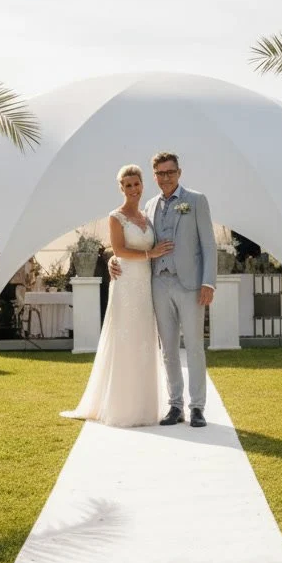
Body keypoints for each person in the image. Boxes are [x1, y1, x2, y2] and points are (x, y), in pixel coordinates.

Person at [109, 152, 217, 427]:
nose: (165, 178)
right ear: (154, 176)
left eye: (170, 172)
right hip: (158, 283)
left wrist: (208, 282)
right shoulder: (150, 206)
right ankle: (175, 405)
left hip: (191, 284)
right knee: (168, 348)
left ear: (179, 173)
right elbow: (135, 242)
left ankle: (197, 408)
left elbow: (208, 245)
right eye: (160, 173)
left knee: (194, 346)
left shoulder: (196, 200)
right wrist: (114, 258)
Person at [61, 164, 173, 427]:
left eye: (137, 184)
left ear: (143, 185)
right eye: (128, 185)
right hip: (125, 285)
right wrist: (150, 254)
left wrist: (153, 257)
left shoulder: (148, 217)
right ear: (121, 188)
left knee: (144, 339)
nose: (133, 189)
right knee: (124, 338)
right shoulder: (115, 217)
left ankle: (145, 406)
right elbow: (119, 251)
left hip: (146, 285)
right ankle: (122, 407)